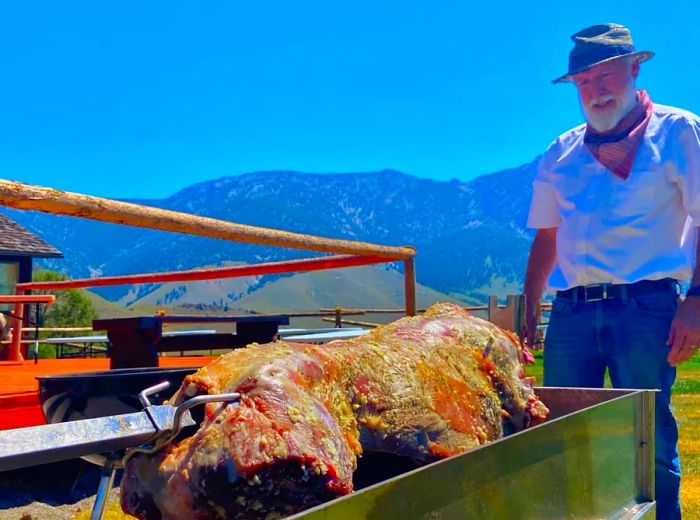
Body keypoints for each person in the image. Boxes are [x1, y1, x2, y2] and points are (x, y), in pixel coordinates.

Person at [523, 23, 700, 519]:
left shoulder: (680, 131)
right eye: (584, 82)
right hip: (572, 315)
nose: (595, 90)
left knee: (648, 439)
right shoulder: (561, 152)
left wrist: (697, 301)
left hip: (647, 308)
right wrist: (529, 310)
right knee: (560, 435)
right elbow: (546, 237)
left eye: (604, 76)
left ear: (634, 69)